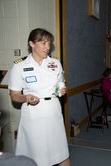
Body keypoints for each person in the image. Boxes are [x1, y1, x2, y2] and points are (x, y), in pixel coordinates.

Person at [8, 28, 70, 166]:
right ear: (31, 43)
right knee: (36, 155)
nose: (47, 47)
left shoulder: (55, 63)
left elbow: (60, 84)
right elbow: (14, 95)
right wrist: (26, 97)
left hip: (53, 111)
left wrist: (61, 90)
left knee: (61, 152)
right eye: (43, 43)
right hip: (33, 114)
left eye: (49, 43)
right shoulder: (20, 66)